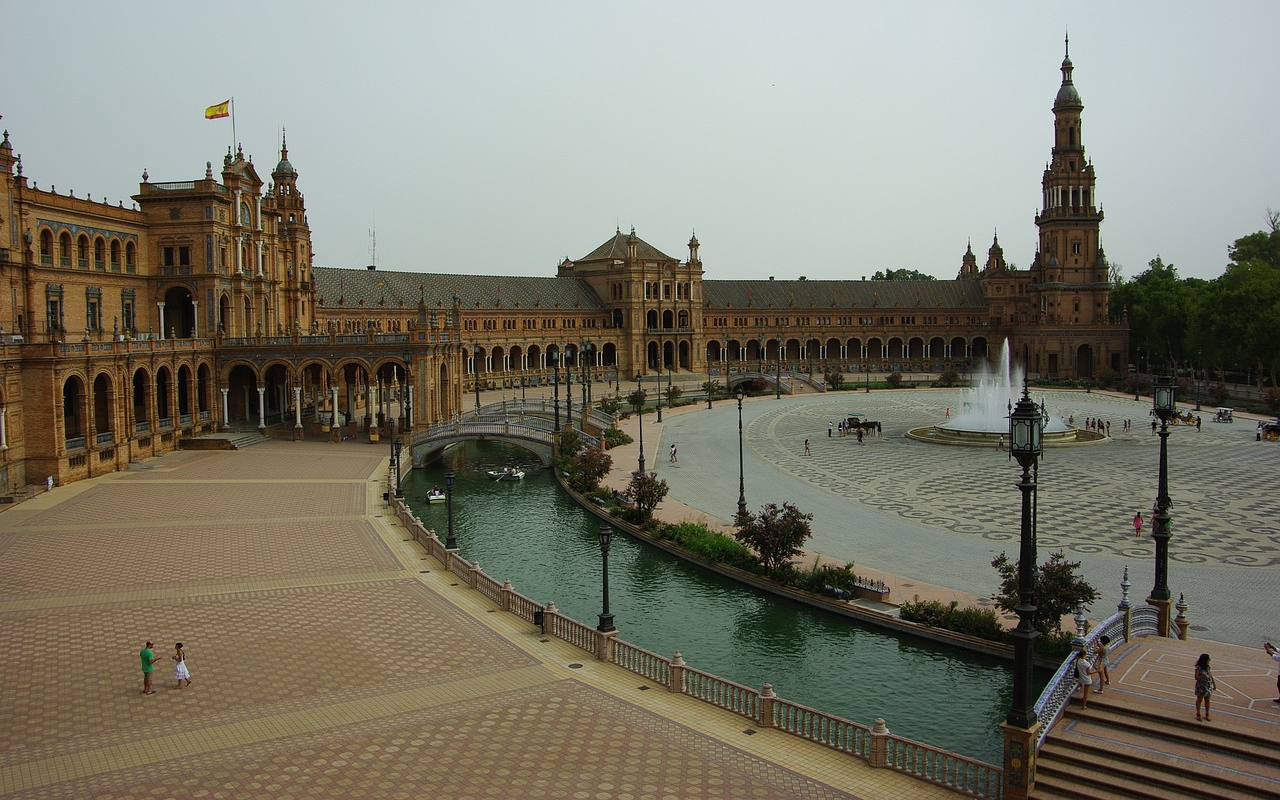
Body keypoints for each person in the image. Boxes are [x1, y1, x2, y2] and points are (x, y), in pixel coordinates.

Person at [1194, 653, 1216, 721]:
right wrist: (1202, 676)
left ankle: (1207, 714)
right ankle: (1198, 714)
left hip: (1208, 686)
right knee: (1199, 700)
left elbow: (1210, 674)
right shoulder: (1198, 667)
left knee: (1207, 700)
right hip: (1201, 686)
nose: (1209, 660)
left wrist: (1214, 683)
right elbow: (1196, 677)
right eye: (1208, 659)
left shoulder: (1208, 667)